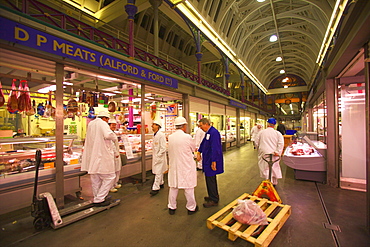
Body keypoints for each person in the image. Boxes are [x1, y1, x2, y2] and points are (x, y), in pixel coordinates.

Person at [81, 111, 118, 206]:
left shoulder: (91, 124)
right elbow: (108, 135)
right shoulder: (102, 123)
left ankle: (97, 197)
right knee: (110, 177)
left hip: (93, 156)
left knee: (95, 178)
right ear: (105, 118)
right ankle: (100, 198)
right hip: (102, 155)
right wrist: (115, 137)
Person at [167, 116, 198, 215]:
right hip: (186, 166)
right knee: (189, 188)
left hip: (174, 166)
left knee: (173, 187)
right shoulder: (187, 137)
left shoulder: (170, 137)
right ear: (184, 126)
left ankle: (172, 207)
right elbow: (194, 148)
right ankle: (191, 208)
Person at [197, 118, 224, 208]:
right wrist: (199, 152)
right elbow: (204, 143)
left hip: (211, 160)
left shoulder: (214, 133)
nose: (200, 128)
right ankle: (213, 195)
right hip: (208, 159)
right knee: (209, 179)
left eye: (201, 125)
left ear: (206, 124)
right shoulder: (208, 132)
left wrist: (214, 161)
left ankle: (214, 200)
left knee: (211, 179)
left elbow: (215, 148)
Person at [254, 118, 284, 185]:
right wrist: (278, 152)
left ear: (267, 124)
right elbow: (281, 143)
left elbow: (256, 142)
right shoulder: (278, 133)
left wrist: (258, 149)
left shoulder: (261, 132)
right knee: (275, 166)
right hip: (274, 153)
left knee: (265, 167)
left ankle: (268, 182)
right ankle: (274, 181)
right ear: (274, 125)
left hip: (264, 152)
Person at [150, 120, 168, 196]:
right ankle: (161, 183)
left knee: (158, 172)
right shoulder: (155, 134)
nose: (152, 126)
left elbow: (163, 147)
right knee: (159, 171)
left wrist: (159, 156)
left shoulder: (161, 135)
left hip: (159, 157)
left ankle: (155, 188)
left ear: (158, 126)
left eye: (154, 124)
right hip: (157, 156)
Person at [108, 118, 122, 193]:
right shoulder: (108, 134)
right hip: (112, 155)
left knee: (117, 170)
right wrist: (115, 153)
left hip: (116, 154)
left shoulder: (113, 133)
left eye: (115, 125)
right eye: (112, 125)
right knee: (112, 171)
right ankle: (110, 186)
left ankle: (115, 183)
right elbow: (111, 145)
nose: (114, 126)